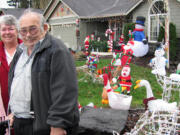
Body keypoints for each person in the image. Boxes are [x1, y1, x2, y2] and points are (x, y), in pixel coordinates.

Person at [8, 10, 79, 135]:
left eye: (33, 29)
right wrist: (14, 112)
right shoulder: (20, 51)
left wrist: (58, 124)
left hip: (44, 126)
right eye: (23, 31)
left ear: (44, 28)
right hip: (21, 123)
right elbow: (19, 84)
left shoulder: (57, 50)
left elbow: (65, 91)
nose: (28, 35)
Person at [0, 15, 22, 135]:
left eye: (11, 29)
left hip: (24, 108)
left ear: (17, 30)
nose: (7, 32)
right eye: (4, 29)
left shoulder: (27, 50)